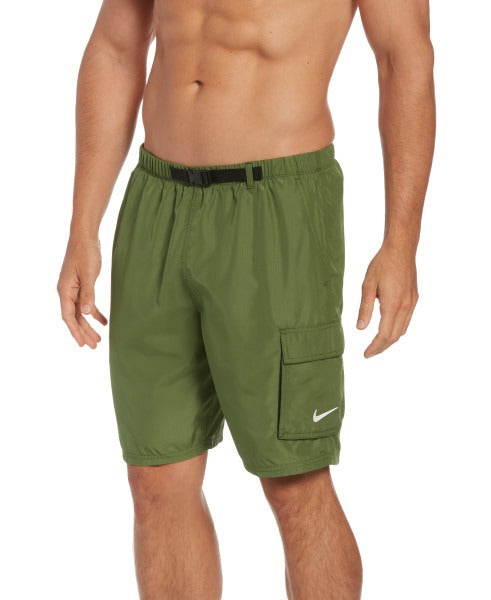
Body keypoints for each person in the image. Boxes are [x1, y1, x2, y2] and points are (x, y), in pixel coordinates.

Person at [57, 0, 435, 597]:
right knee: (157, 475)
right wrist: (83, 224)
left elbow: (404, 57)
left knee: (294, 481)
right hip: (158, 198)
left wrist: (401, 242)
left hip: (277, 209)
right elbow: (116, 45)